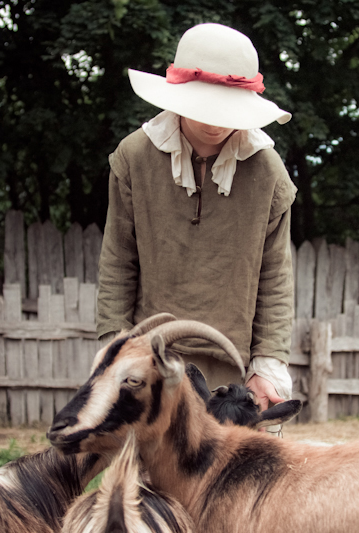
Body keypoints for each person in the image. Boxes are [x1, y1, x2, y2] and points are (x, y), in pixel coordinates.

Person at [96, 23, 296, 430]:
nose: (216, 122)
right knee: (148, 485)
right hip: (151, 358)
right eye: (207, 106)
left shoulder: (268, 172)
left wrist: (268, 363)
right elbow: (118, 260)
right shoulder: (134, 157)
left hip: (233, 370)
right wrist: (113, 348)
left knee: (229, 488)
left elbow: (275, 277)